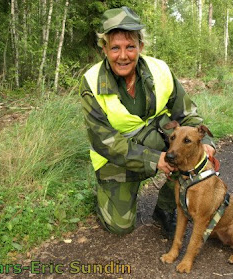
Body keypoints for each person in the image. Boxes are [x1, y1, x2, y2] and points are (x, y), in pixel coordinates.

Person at [79, 6, 215, 238]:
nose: (123, 56)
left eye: (130, 46)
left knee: (193, 153)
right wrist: (154, 160)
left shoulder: (160, 69)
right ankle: (105, 195)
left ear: (140, 46)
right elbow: (104, 141)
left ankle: (165, 208)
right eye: (115, 48)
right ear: (104, 49)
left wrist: (208, 143)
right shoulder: (91, 82)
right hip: (117, 158)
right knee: (120, 227)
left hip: (160, 142)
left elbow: (187, 114)